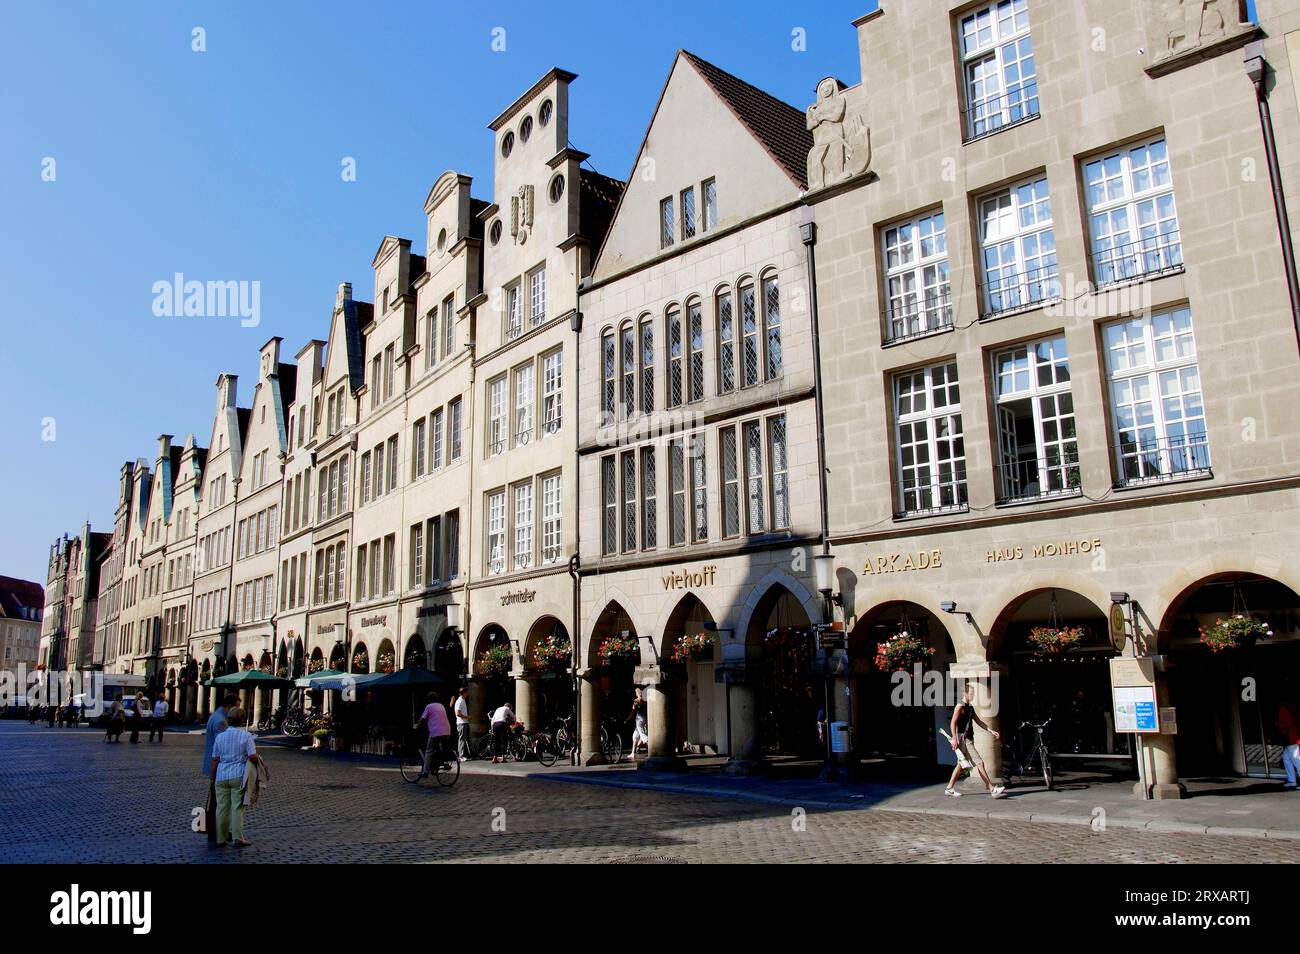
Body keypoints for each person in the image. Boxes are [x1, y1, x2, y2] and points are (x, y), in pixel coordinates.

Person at [209, 706, 261, 848]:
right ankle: (237, 838)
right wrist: (260, 760)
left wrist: (212, 777)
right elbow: (252, 756)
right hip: (238, 774)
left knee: (221, 808)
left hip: (221, 774)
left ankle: (220, 838)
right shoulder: (246, 736)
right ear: (242, 720)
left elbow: (215, 759)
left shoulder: (220, 737)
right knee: (237, 808)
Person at [945, 682, 1006, 799]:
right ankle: (992, 789)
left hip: (967, 738)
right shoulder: (960, 706)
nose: (973, 696)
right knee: (979, 763)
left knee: (961, 765)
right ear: (965, 693)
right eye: (971, 694)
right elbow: (953, 723)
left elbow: (978, 721)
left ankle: (949, 788)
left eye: (974, 694)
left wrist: (991, 730)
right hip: (963, 739)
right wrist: (954, 738)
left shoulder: (970, 707)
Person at [203, 695, 236, 843]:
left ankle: (216, 830)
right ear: (229, 706)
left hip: (215, 766)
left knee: (218, 801)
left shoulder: (215, 716)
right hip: (219, 767)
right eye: (236, 707)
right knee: (220, 802)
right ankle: (217, 831)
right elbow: (222, 746)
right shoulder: (220, 721)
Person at [414, 691, 453, 778]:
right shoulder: (441, 705)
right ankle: (444, 762)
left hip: (436, 731)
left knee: (429, 750)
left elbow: (423, 719)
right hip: (447, 730)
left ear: (429, 700)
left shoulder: (429, 706)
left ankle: (425, 771)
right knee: (442, 748)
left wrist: (417, 726)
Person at [1277, 702, 1300, 790]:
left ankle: (1292, 780)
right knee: (1287, 758)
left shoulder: (1283, 708)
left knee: (1295, 759)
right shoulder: (1293, 707)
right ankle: (1291, 780)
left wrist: (1278, 724)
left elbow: (1288, 722)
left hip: (1291, 737)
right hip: (1293, 736)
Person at [628, 688, 649, 761]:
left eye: (636, 692)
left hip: (639, 719)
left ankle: (651, 747)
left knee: (642, 735)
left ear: (637, 693)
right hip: (644, 718)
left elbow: (633, 711)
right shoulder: (645, 700)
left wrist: (627, 719)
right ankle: (632, 753)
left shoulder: (636, 701)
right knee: (635, 736)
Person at [454, 687, 471, 761]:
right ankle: (460, 756)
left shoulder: (462, 700)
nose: (468, 694)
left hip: (464, 723)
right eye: (467, 692)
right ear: (464, 693)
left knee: (466, 739)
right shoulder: (459, 701)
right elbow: (458, 713)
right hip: (461, 723)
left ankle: (468, 754)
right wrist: (467, 717)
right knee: (462, 739)